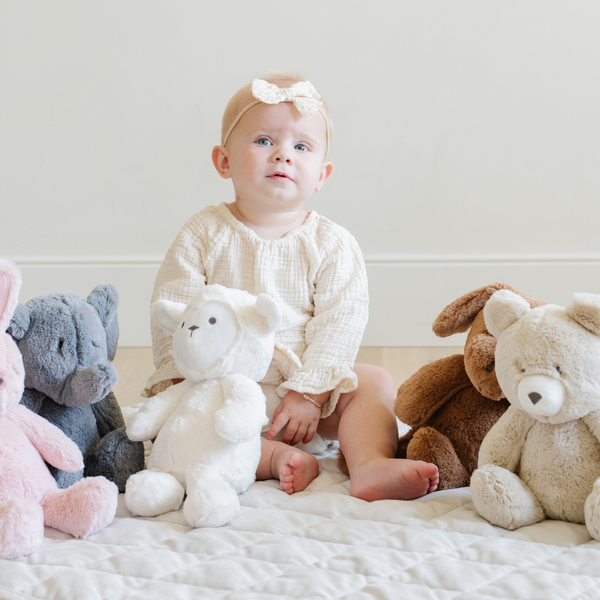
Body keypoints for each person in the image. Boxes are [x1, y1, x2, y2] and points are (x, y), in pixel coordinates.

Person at [144, 73, 439, 501]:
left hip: (305, 396)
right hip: (224, 391)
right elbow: (171, 311)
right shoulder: (203, 233)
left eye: (301, 147)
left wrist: (309, 392)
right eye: (264, 141)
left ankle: (370, 463)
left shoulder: (331, 242)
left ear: (321, 174)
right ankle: (274, 457)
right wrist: (179, 385)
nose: (283, 155)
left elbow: (342, 320)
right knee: (196, 425)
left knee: (372, 382)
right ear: (223, 160)